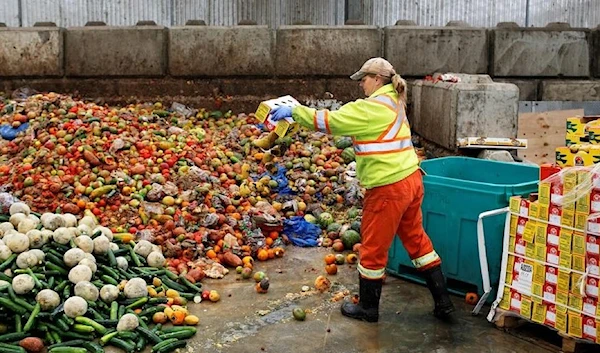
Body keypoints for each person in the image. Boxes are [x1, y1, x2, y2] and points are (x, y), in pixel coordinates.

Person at [269, 57, 455, 323]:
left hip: (388, 187)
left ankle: (368, 308)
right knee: (417, 242)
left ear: (377, 79)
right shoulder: (394, 101)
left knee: (372, 249)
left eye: (364, 80)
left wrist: (295, 112)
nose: (362, 86)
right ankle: (443, 302)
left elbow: (331, 121)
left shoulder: (372, 107)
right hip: (411, 179)